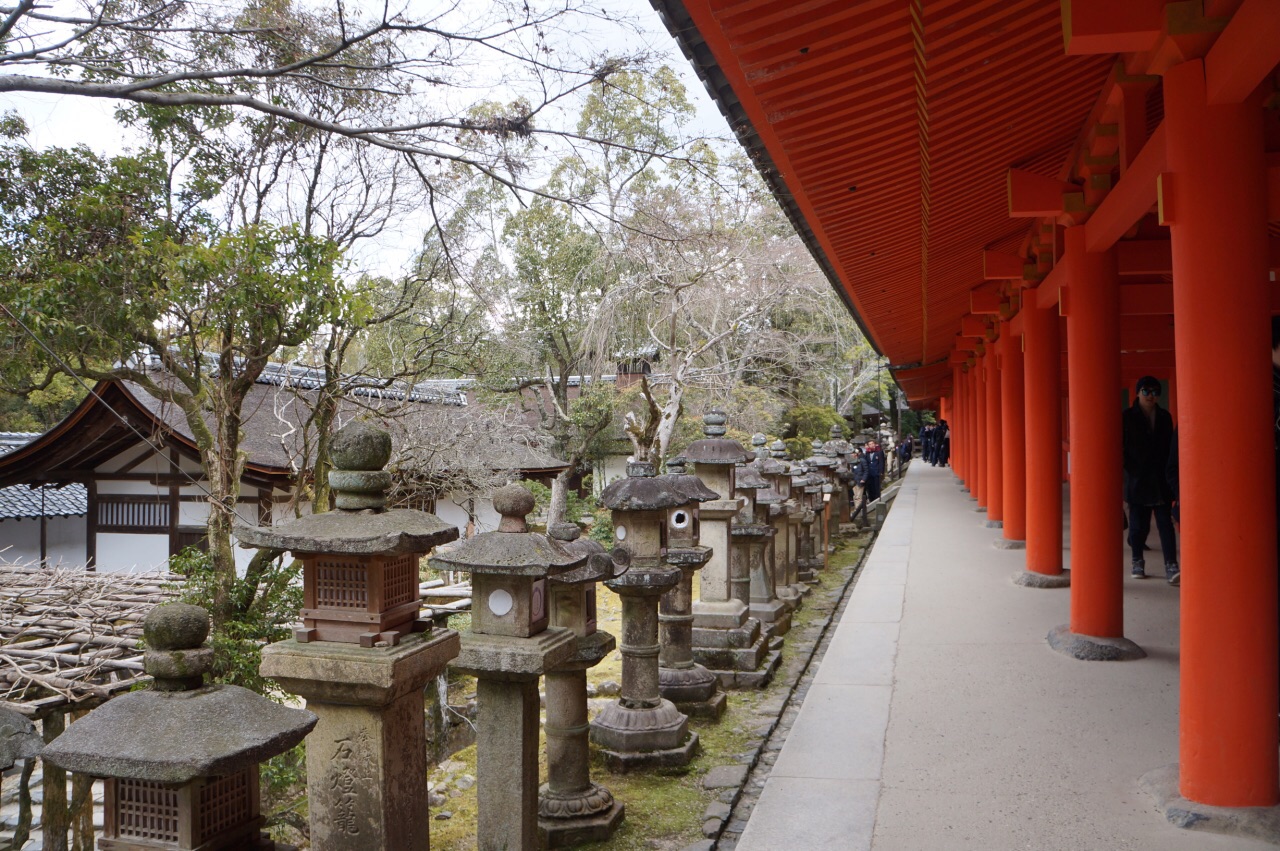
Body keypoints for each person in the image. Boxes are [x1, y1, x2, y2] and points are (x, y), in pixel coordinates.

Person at [1122, 375, 1178, 584]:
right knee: (1138, 525)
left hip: (1161, 478)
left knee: (1166, 524)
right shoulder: (1127, 416)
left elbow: (1170, 448)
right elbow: (1121, 448)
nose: (1151, 396)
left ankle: (1171, 565)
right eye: (1146, 391)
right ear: (1138, 393)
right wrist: (1131, 470)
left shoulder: (1165, 417)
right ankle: (1137, 560)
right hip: (1138, 479)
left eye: (1155, 392)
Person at [849, 448, 870, 527]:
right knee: (855, 496)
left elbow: (866, 471)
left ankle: (857, 511)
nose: (853, 455)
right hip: (853, 481)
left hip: (860, 480)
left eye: (854, 453)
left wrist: (863, 479)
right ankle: (856, 510)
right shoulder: (851, 462)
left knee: (859, 496)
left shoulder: (862, 461)